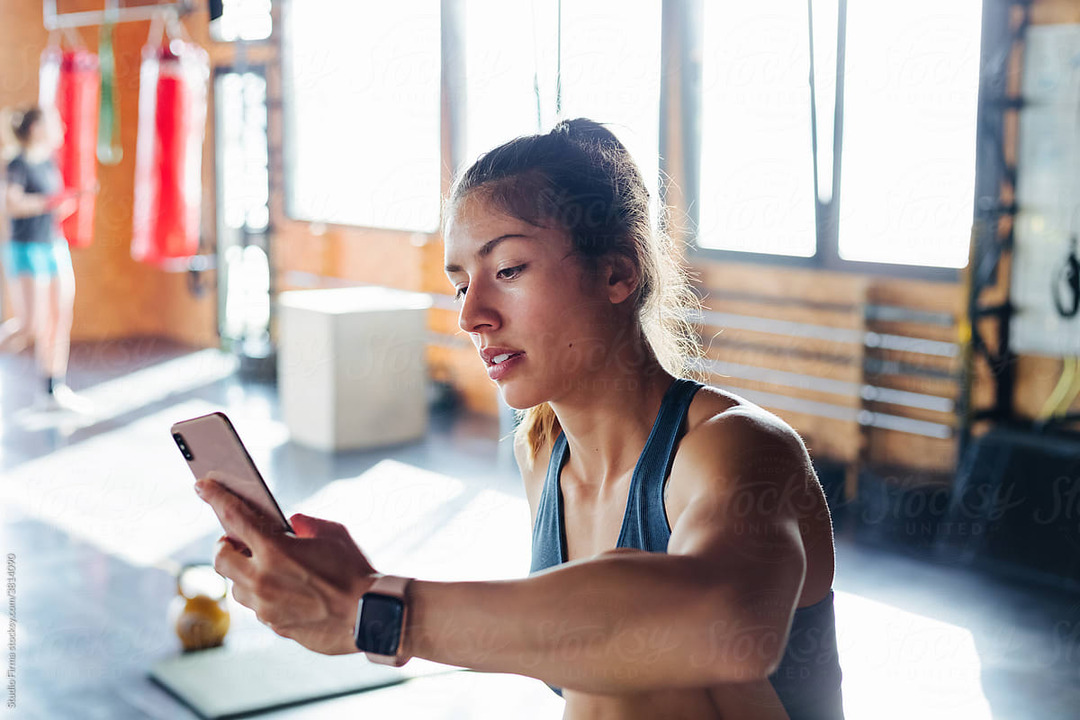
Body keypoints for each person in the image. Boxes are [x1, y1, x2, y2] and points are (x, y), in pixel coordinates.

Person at [196, 118, 843, 719]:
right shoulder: (542, 454)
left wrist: (374, 610)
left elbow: (727, 628)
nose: (470, 316)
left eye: (507, 269)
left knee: (631, 651)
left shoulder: (739, 448)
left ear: (617, 272)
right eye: (460, 284)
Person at [0, 105, 89, 412]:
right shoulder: (17, 163)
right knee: (29, 325)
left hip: (53, 245)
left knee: (58, 319)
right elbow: (12, 205)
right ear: (36, 128)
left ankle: (53, 389)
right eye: (53, 122)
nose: (60, 127)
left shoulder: (50, 161)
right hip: (25, 249)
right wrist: (51, 201)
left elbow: (52, 207)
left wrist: (68, 202)